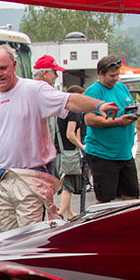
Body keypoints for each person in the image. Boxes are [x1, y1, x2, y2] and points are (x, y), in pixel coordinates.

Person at [0, 45, 119, 233]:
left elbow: (70, 100)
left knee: (28, 237)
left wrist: (100, 105)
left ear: (14, 65)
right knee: (2, 239)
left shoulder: (34, 90)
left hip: (32, 178)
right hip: (2, 179)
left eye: (3, 68)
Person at [83, 56, 139, 204]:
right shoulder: (93, 91)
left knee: (131, 196)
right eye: (111, 76)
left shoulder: (121, 87)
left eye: (117, 75)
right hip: (103, 154)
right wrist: (119, 121)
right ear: (101, 74)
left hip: (125, 153)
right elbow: (89, 119)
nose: (115, 79)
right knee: (105, 199)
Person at [56, 85, 86, 220]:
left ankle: (70, 212)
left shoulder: (62, 110)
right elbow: (70, 134)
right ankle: (60, 214)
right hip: (69, 152)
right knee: (68, 185)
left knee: (65, 182)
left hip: (59, 151)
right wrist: (82, 147)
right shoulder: (74, 112)